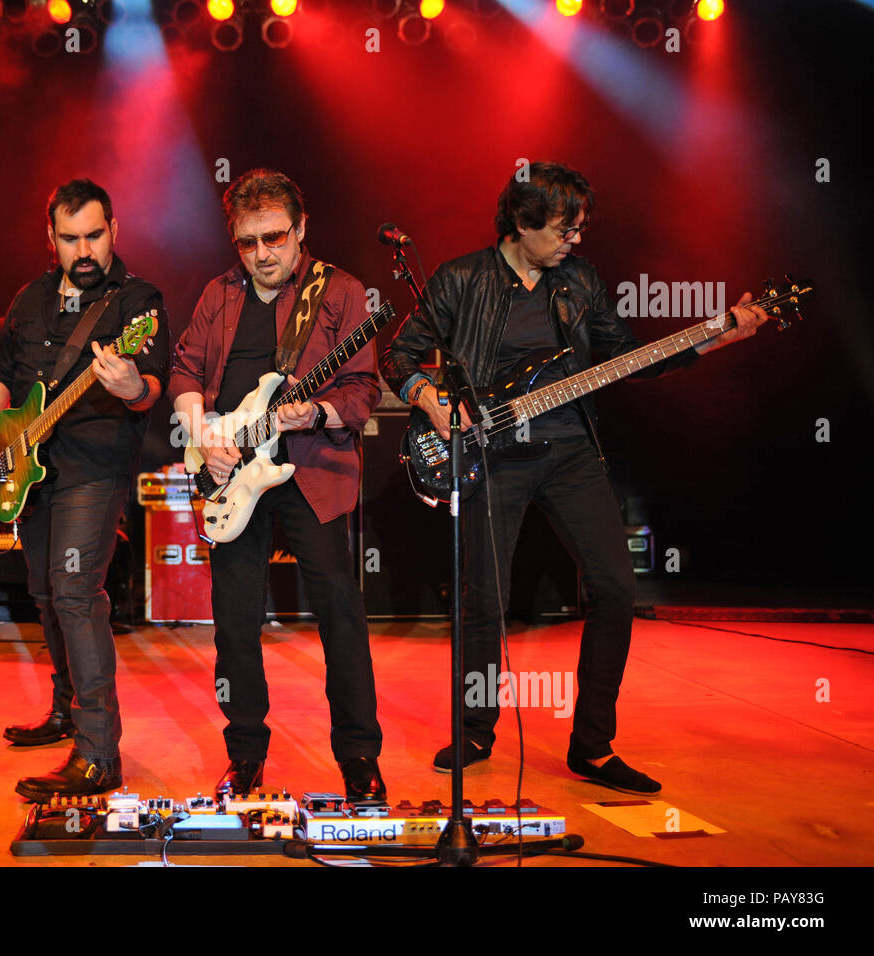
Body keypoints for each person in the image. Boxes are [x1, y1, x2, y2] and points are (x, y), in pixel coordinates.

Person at [382, 161, 767, 795]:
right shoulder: (460, 279)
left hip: (569, 452)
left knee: (616, 590)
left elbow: (627, 361)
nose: (575, 241)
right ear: (521, 223)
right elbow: (398, 355)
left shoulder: (580, 281)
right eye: (564, 228)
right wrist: (430, 397)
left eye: (579, 229)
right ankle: (476, 730)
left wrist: (715, 337)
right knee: (485, 598)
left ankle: (592, 745)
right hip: (491, 454)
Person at [168, 169, 386, 804]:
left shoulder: (341, 292)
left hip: (310, 472)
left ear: (301, 230)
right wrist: (201, 433)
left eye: (274, 238)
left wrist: (315, 412)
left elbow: (362, 391)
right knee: (235, 623)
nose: (261, 254)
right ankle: (244, 756)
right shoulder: (220, 293)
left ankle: (359, 757)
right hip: (230, 475)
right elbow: (183, 367)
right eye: (247, 242)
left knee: (339, 615)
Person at [0, 178, 169, 801]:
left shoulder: (138, 302)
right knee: (43, 591)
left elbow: (153, 389)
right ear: (50, 238)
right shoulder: (28, 300)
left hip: (94, 466)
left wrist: (130, 385)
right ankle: (65, 708)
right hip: (27, 469)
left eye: (94, 235)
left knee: (77, 592)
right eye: (69, 238)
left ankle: (99, 754)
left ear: (114, 229)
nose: (83, 250)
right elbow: (0, 376)